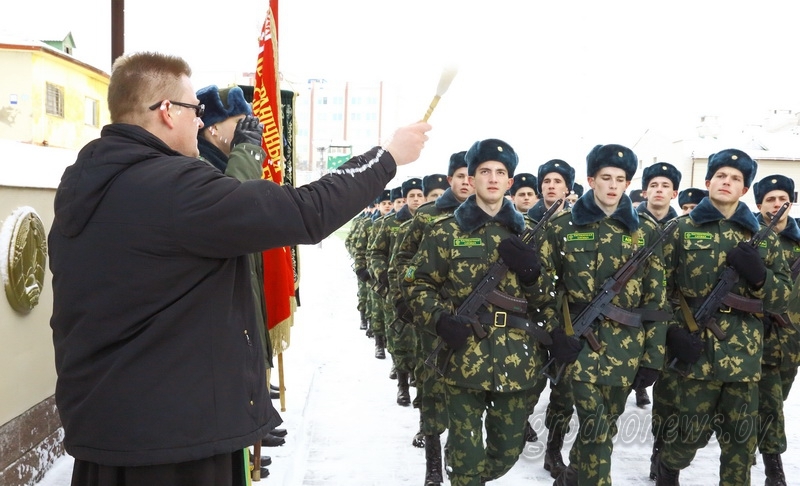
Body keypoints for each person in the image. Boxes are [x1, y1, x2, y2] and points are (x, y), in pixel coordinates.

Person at [48, 51, 430, 486]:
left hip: (106, 430)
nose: (200, 121)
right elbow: (304, 212)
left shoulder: (85, 183)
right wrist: (388, 157)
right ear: (167, 112)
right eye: (196, 110)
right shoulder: (173, 188)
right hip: (174, 444)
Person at [405, 139, 552, 486]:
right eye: (485, 171)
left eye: (501, 173)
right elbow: (415, 283)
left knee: (505, 452)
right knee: (466, 463)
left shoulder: (529, 234)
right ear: (471, 179)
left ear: (510, 182)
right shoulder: (445, 232)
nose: (493, 178)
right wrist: (439, 319)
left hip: (517, 360)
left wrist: (532, 274)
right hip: (462, 359)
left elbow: (549, 299)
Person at [657, 150, 792, 486]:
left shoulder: (763, 236)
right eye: (720, 176)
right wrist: (673, 331)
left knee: (740, 444)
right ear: (708, 183)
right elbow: (659, 288)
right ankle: (668, 468)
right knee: (688, 436)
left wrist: (760, 277)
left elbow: (784, 296)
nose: (726, 182)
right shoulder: (680, 230)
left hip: (745, 356)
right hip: (696, 350)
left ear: (744, 189)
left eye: (735, 179)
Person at [540, 144, 668, 486]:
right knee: (597, 430)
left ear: (628, 184)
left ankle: (568, 479)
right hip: (578, 345)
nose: (613, 186)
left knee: (604, 428)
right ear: (591, 180)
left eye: (620, 179)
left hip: (626, 348)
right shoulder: (562, 227)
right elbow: (542, 289)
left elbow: (657, 300)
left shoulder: (646, 232)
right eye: (606, 178)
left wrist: (653, 357)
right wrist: (556, 333)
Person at [394, 151, 473, 485]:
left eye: (473, 176)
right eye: (461, 176)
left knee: (466, 390)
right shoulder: (427, 216)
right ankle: (433, 465)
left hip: (474, 322)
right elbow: (403, 259)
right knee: (432, 385)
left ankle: (463, 460)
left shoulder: (489, 216)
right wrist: (410, 299)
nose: (467, 182)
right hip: (434, 318)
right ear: (450, 179)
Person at [525, 157, 576, 479]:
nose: (551, 186)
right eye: (546, 182)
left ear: (568, 188)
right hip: (529, 316)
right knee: (529, 383)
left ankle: (553, 451)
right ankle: (518, 421)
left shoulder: (578, 226)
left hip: (566, 320)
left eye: (558, 181)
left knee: (563, 392)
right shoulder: (523, 224)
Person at [752, 174, 799, 486]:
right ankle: (774, 471)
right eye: (770, 199)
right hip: (755, 340)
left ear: (791, 203)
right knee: (769, 407)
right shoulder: (751, 239)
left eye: (782, 199)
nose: (776, 205)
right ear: (759, 205)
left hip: (792, 344)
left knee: (773, 404)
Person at [369, 177, 424, 406]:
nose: (415, 199)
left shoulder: (433, 222)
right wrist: (383, 276)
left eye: (419, 195)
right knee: (400, 338)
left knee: (421, 342)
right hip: (397, 288)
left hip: (423, 290)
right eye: (411, 196)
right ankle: (403, 384)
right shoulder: (389, 223)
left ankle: (418, 381)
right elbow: (376, 253)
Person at [634, 162, 681, 409]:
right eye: (653, 185)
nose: (659, 190)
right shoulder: (633, 225)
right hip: (641, 298)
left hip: (673, 301)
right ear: (644, 192)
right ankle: (640, 387)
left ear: (674, 193)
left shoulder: (682, 227)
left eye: (666, 186)